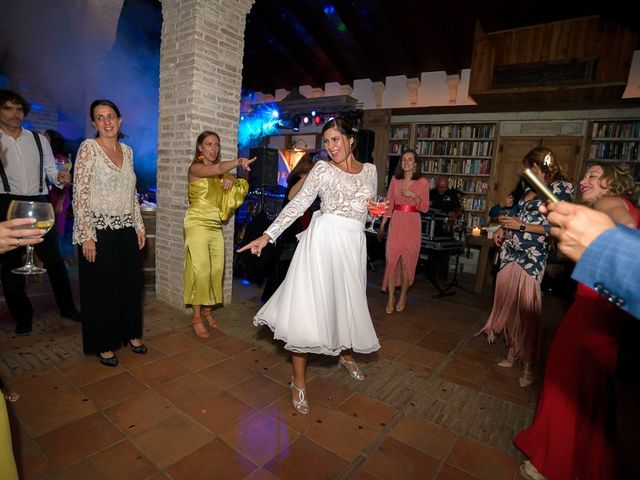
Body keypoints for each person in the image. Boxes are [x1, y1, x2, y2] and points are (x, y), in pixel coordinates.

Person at [238, 117, 381, 415]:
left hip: (353, 245)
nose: (331, 147)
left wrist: (378, 214)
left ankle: (345, 353)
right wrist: (268, 235)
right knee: (308, 311)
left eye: (336, 140)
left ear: (350, 140)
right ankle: (298, 381)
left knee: (345, 304)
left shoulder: (370, 171)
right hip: (322, 244)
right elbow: (297, 204)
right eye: (326, 141)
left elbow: (368, 219)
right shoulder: (322, 169)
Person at [514, 163, 639, 480]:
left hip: (592, 311)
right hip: (611, 309)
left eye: (593, 176)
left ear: (610, 184)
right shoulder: (626, 207)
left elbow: (623, 230)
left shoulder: (609, 203)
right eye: (584, 175)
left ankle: (550, 462)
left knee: (563, 382)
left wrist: (601, 244)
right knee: (589, 393)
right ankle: (578, 460)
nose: (584, 180)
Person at [478, 147, 574, 387]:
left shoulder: (560, 189)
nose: (529, 171)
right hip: (510, 251)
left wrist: (522, 227)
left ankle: (530, 365)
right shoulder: (529, 192)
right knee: (508, 305)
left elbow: (559, 228)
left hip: (533, 255)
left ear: (542, 165)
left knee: (527, 310)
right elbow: (516, 218)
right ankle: (513, 351)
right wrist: (504, 228)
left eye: (532, 166)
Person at [0, 89, 81, 335]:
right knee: (10, 266)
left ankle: (67, 308)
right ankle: (23, 316)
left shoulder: (38, 139)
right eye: (8, 108)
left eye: (19, 109)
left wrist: (61, 178)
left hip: (38, 201)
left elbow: (52, 173)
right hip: (6, 202)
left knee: (55, 261)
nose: (15, 114)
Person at [72, 99, 146, 367]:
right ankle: (103, 342)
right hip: (98, 229)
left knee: (128, 284)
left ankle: (131, 333)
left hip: (125, 227)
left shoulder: (127, 151)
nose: (106, 121)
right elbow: (79, 194)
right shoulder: (88, 149)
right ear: (94, 123)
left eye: (111, 116)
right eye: (100, 117)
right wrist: (87, 234)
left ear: (120, 120)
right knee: (101, 289)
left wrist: (138, 225)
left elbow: (132, 192)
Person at [183, 131, 251, 338]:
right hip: (196, 224)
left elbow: (233, 184)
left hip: (214, 226)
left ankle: (207, 310)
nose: (213, 149)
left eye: (216, 145)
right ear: (200, 148)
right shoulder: (195, 168)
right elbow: (216, 168)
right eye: (209, 144)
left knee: (215, 271)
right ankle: (196, 317)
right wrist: (238, 162)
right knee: (200, 271)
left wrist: (231, 178)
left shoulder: (221, 174)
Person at [541, 201, 639, 319]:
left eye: (591, 180)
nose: (584, 182)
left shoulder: (608, 200)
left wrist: (601, 245)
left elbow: (628, 224)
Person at [377, 149, 429, 314]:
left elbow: (425, 208)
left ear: (415, 164)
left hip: (412, 223)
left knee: (407, 263)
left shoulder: (422, 182)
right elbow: (389, 203)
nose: (406, 162)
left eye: (410, 159)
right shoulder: (395, 180)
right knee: (392, 262)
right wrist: (383, 225)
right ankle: (391, 297)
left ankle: (403, 295)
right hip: (397, 222)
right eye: (404, 159)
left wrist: (414, 196)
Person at [261, 152, 317, 302]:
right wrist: (309, 176)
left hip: (298, 222)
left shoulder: (300, 176)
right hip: (293, 223)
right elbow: (291, 198)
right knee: (286, 263)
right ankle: (277, 298)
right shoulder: (298, 177)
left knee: (287, 263)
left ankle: (278, 298)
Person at [428, 176, 462, 281]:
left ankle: (443, 277)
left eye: (444, 187)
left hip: (446, 228)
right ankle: (431, 276)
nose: (442, 189)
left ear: (447, 185)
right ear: (436, 184)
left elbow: (459, 211)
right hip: (433, 227)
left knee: (444, 254)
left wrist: (455, 214)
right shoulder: (431, 193)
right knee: (432, 252)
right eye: (440, 187)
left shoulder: (452, 194)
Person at [43, 129, 72, 238]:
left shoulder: (60, 158)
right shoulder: (50, 156)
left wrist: (60, 202)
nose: (43, 139)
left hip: (59, 196)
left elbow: (65, 182)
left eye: (46, 137)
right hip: (51, 194)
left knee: (57, 228)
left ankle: (57, 252)